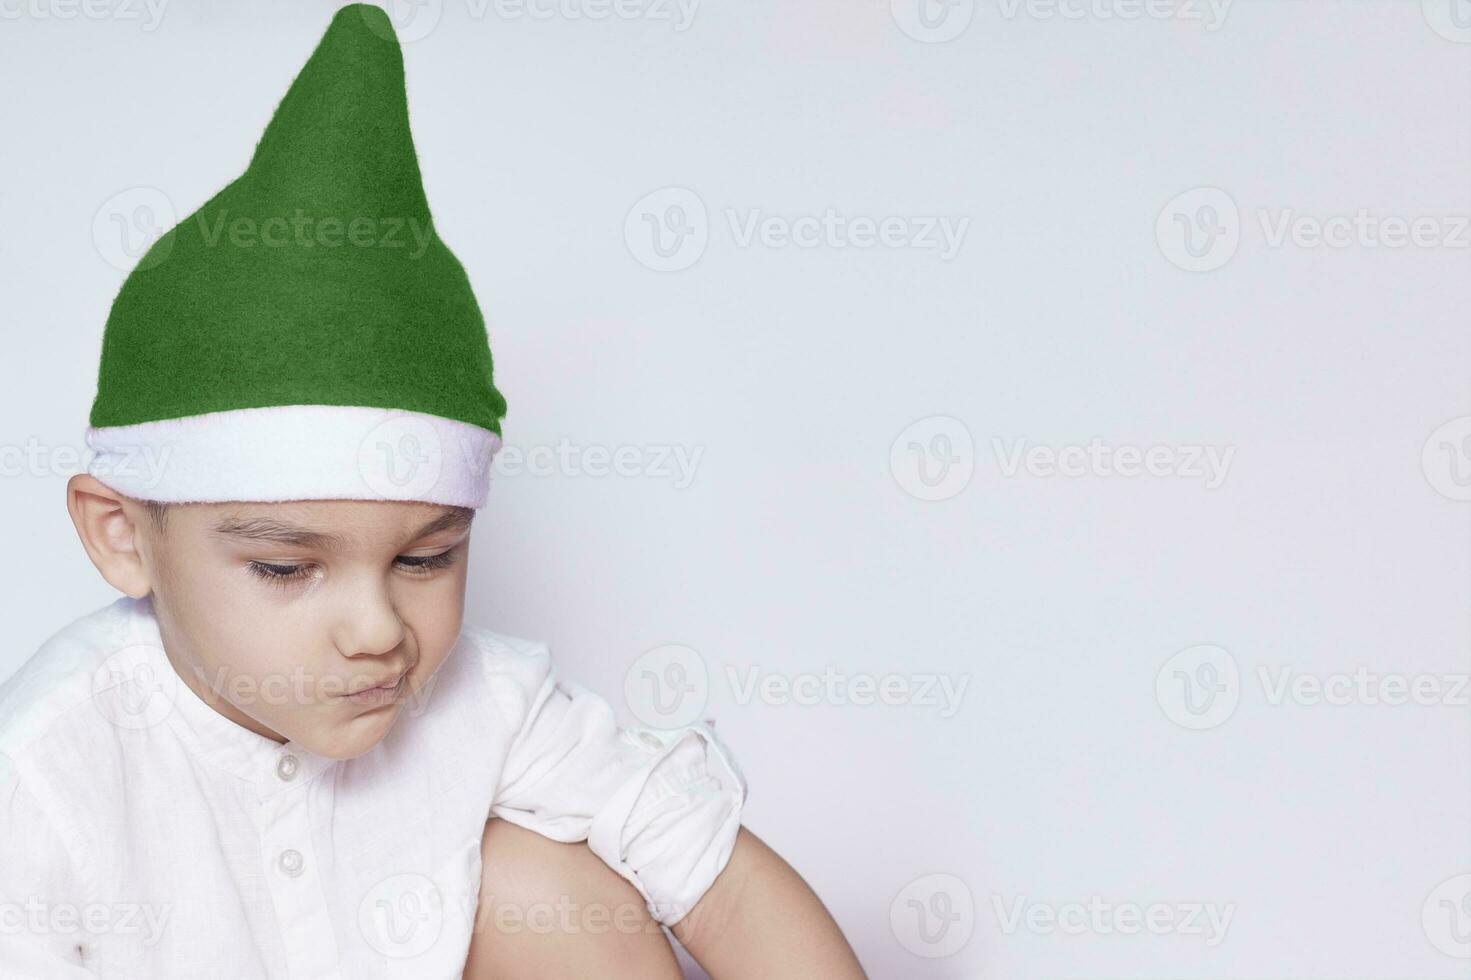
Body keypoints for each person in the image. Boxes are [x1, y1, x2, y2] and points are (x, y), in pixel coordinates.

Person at [0, 6, 866, 976]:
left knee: (542, 881)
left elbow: (730, 886)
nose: (378, 629)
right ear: (122, 532)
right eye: (286, 565)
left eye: (425, 556)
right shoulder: (45, 770)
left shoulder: (480, 700)